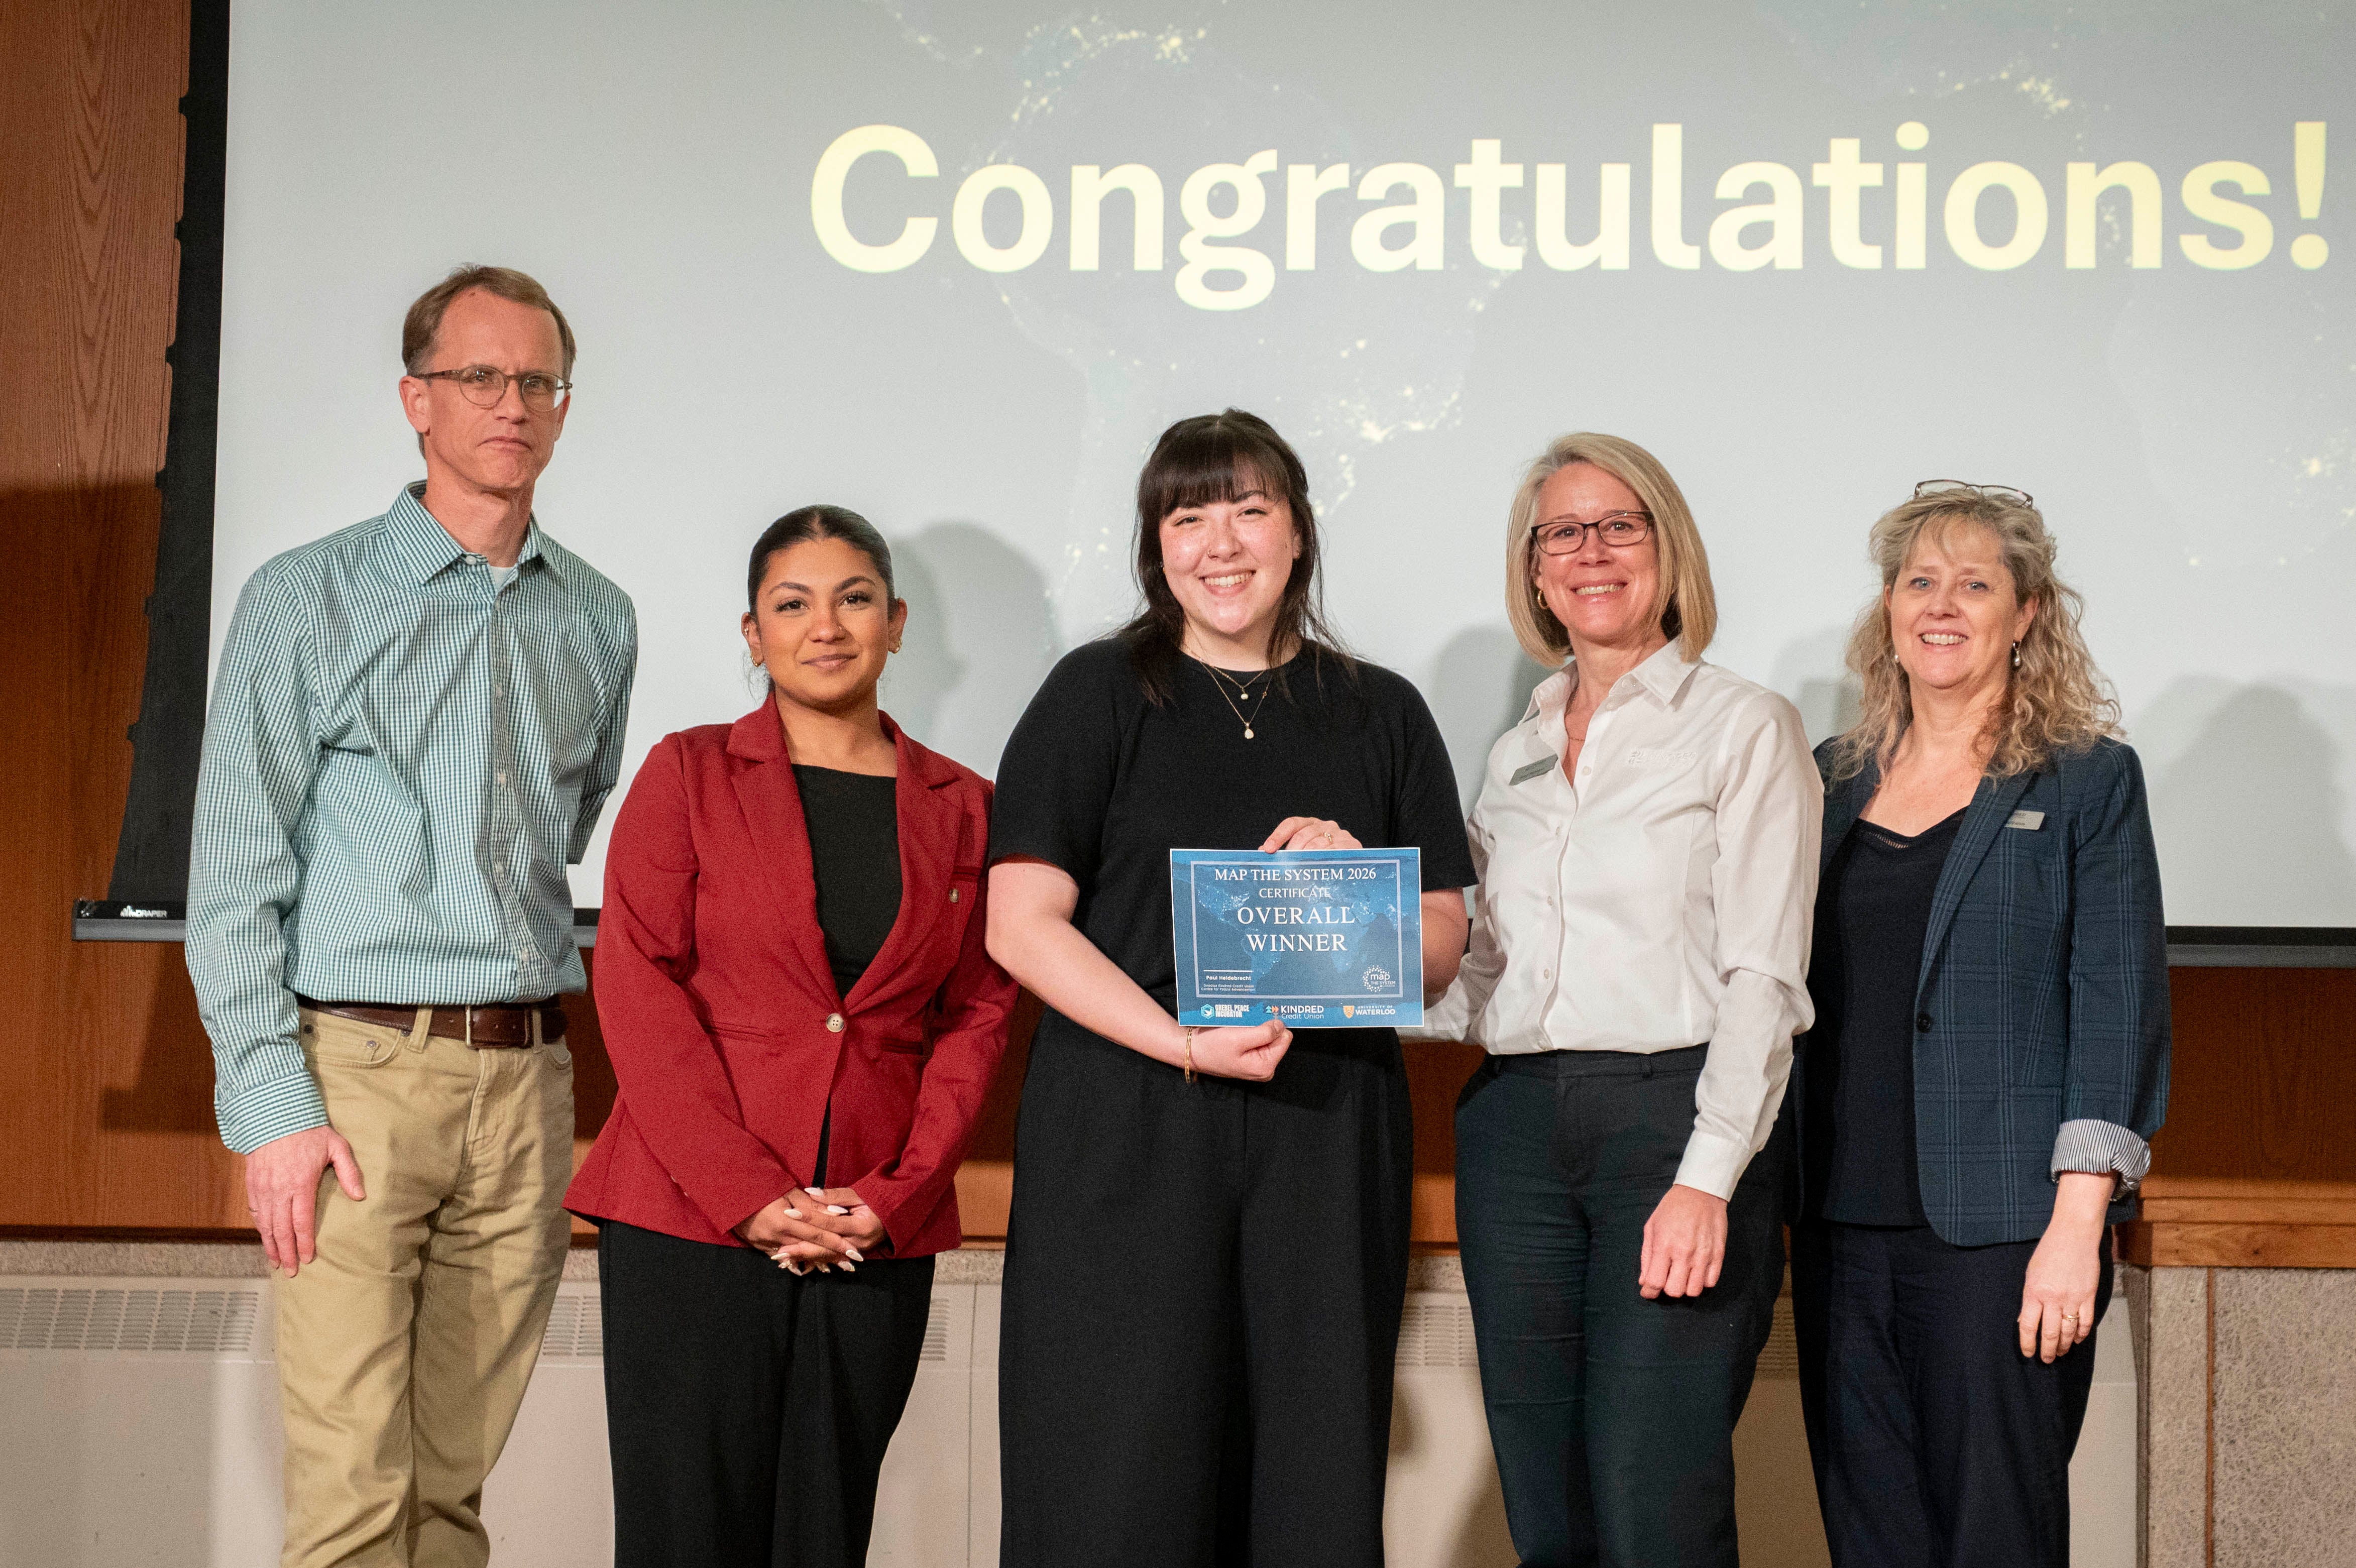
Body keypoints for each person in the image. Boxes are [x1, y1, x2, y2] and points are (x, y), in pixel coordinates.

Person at [186, 264, 636, 1567]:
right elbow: (232, 876)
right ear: (415, 400)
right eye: (478, 378)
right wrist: (272, 1109)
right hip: (354, 1082)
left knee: (449, 1505)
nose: (512, 404)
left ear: (562, 405)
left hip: (529, 1086)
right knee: (350, 1510)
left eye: (537, 381)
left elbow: (563, 830)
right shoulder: (303, 599)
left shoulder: (595, 617)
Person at [985, 409, 1476, 1566]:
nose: (1221, 541)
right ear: (1156, 543)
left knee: (1309, 1475)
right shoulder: (1095, 693)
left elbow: (1444, 943)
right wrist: (1181, 1042)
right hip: (1128, 1124)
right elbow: (1020, 924)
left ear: (1298, 533)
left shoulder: (1382, 710)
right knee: (1116, 1471)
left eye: (1251, 509)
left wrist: (1363, 891)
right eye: (1188, 514)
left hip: (1325, 1132)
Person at [566, 505, 1013, 1567]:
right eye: (792, 603)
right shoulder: (688, 773)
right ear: (752, 631)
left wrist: (896, 1194)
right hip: (689, 1217)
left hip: (874, 1222)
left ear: (897, 623)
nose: (828, 625)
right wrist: (749, 1195)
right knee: (686, 1534)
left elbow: (976, 1016)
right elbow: (639, 987)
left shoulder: (969, 807)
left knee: (828, 1528)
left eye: (855, 598)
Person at [1422, 431, 1820, 1568]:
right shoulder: (1515, 754)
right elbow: (1485, 977)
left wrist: (1707, 1178)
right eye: (1563, 532)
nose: (1591, 552)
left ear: (1667, 550)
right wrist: (1323, 976)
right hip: (1514, 1135)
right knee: (1547, 1507)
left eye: (1619, 526)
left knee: (1657, 1501)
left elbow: (1766, 977)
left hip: (1672, 1124)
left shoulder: (1743, 726)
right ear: (1535, 570)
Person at [1790, 481, 2169, 1567]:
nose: (1941, 605)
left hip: (2005, 1236)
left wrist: (2076, 1227)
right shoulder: (1829, 779)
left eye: (1975, 583)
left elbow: (2117, 1002)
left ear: (2028, 614)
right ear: (1888, 610)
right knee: (1872, 1542)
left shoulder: (2090, 780)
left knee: (1996, 1539)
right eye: (1919, 581)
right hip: (1836, 1229)